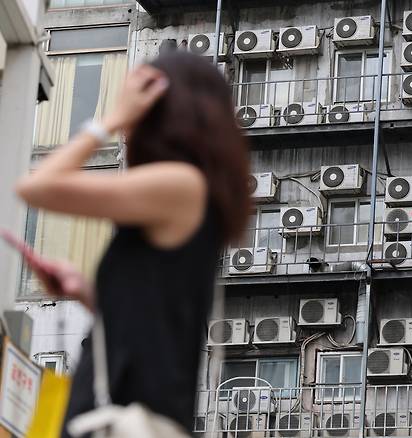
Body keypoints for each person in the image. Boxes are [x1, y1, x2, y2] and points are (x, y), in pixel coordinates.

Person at [15, 52, 251, 436]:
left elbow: (35, 187)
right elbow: (156, 321)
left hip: (122, 418)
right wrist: (88, 293)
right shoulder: (193, 193)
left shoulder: (180, 184)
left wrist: (108, 121)